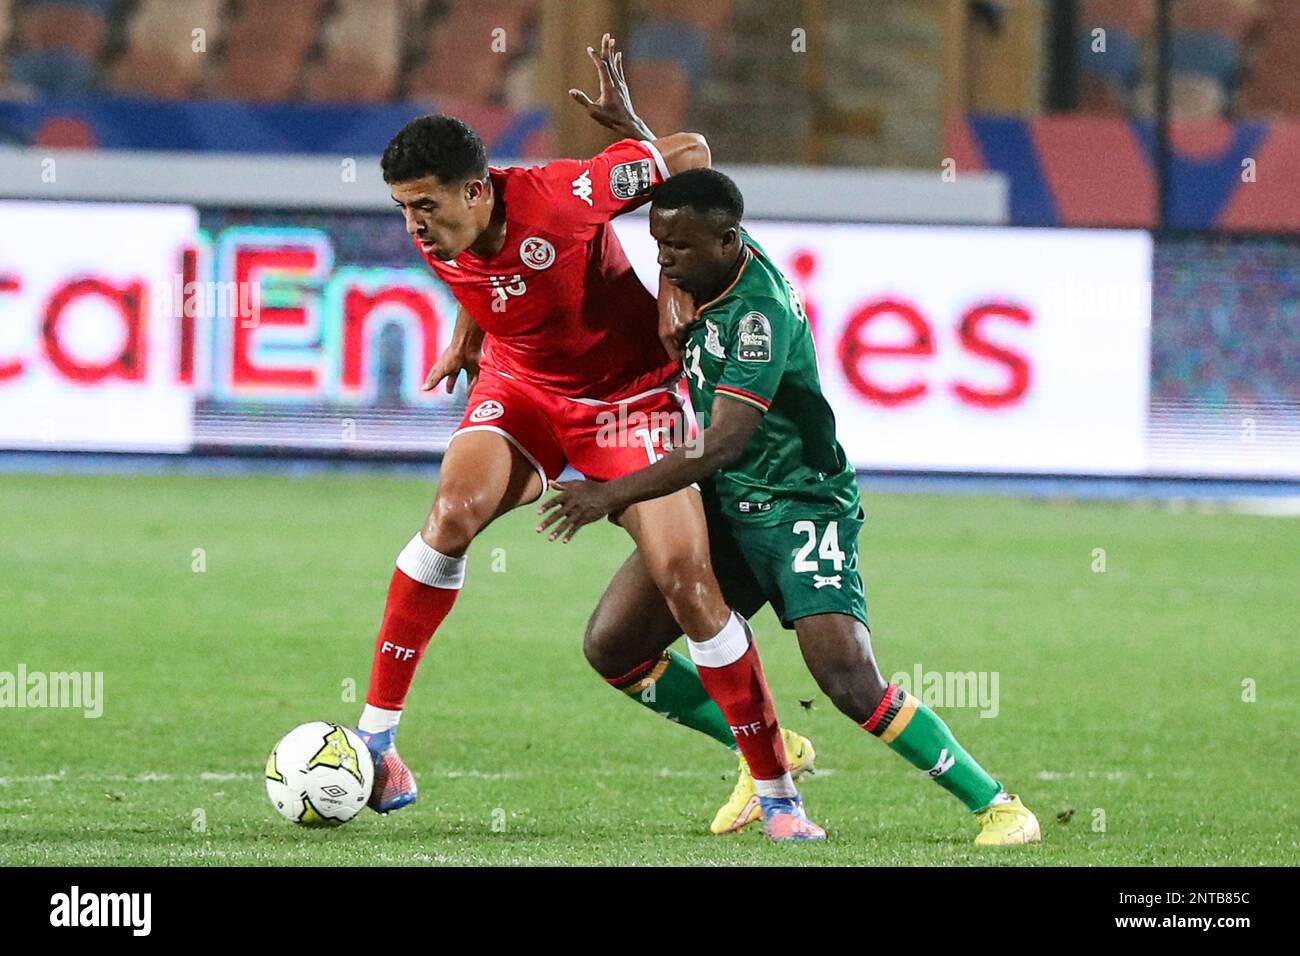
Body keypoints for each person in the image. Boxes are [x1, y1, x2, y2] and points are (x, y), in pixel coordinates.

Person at [357, 36, 822, 839]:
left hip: (629, 400)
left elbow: (691, 154)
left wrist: (674, 287)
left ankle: (778, 790)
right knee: (449, 517)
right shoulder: (445, 225)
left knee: (686, 577)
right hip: (526, 388)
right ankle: (378, 740)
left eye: (426, 206)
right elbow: (490, 276)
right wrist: (470, 334)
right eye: (402, 207)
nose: (414, 225)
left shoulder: (567, 192)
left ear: (478, 189)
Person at [538, 167, 1042, 845]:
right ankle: (767, 755)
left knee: (846, 678)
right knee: (615, 646)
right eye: (657, 245)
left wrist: (609, 494)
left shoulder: (759, 313)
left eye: (678, 249)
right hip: (724, 503)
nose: (664, 261)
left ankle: (1000, 806)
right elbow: (685, 169)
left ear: (726, 240)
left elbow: (722, 443)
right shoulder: (703, 268)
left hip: (798, 503)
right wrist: (629, 125)